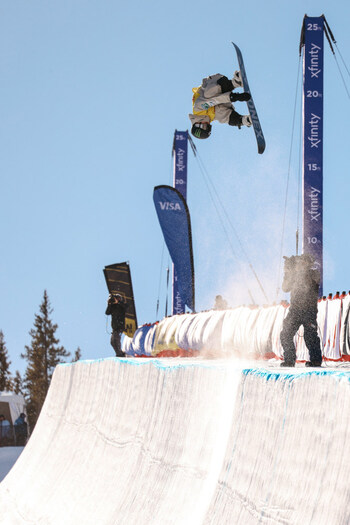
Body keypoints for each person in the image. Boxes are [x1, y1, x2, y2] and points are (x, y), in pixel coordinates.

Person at [280, 254, 323, 367]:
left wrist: (297, 270)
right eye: (299, 262)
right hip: (295, 310)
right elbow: (285, 287)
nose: (300, 265)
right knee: (285, 334)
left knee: (310, 336)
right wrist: (288, 272)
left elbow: (312, 280)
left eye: (303, 262)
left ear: (308, 264)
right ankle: (289, 360)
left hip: (309, 311)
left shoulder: (313, 273)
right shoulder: (295, 275)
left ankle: (316, 360)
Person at [189, 72, 252, 139]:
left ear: (198, 124)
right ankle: (243, 120)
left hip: (215, 82)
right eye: (208, 127)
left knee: (209, 94)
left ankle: (235, 82)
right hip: (220, 98)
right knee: (220, 117)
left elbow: (215, 100)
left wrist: (235, 97)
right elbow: (220, 110)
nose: (208, 124)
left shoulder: (198, 108)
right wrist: (238, 121)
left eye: (205, 126)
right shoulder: (209, 118)